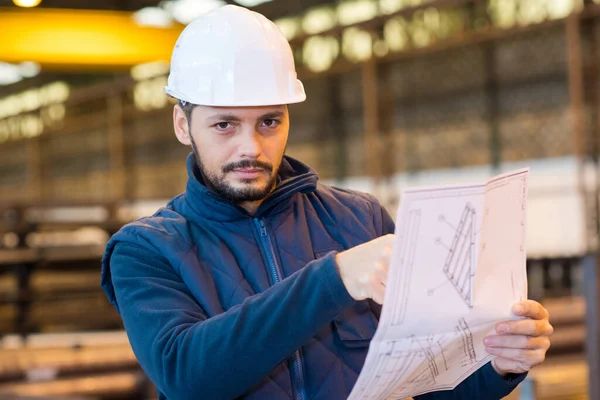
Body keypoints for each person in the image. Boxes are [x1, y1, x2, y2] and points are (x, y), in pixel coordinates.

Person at [100, 5, 553, 400]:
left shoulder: (361, 219)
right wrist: (335, 278)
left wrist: (500, 363)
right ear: (183, 125)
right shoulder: (147, 250)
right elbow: (187, 379)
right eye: (224, 125)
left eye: (269, 122)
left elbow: (430, 386)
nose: (251, 148)